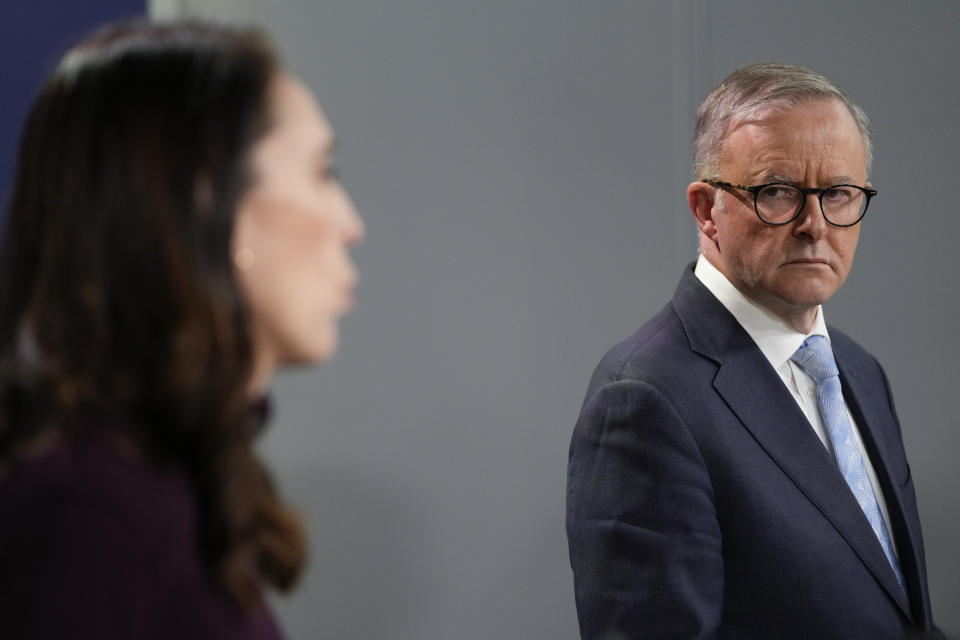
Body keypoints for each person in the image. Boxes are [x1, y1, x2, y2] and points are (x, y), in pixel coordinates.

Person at [0, 19, 364, 639]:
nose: (349, 223)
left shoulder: (158, 479)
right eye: (321, 173)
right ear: (210, 199)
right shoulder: (85, 514)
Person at [566, 63, 941, 639]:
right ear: (705, 209)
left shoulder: (860, 372)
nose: (815, 225)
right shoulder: (644, 399)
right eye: (778, 193)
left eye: (839, 193)